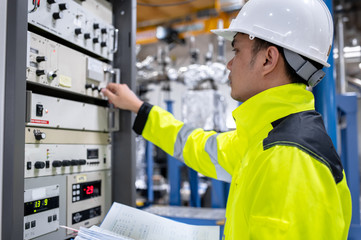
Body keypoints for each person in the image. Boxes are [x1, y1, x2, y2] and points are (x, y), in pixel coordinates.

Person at [102, 0, 352, 238]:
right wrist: (139, 108)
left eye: (237, 51)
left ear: (268, 59)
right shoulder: (264, 138)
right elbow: (199, 147)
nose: (230, 65)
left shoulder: (289, 157)